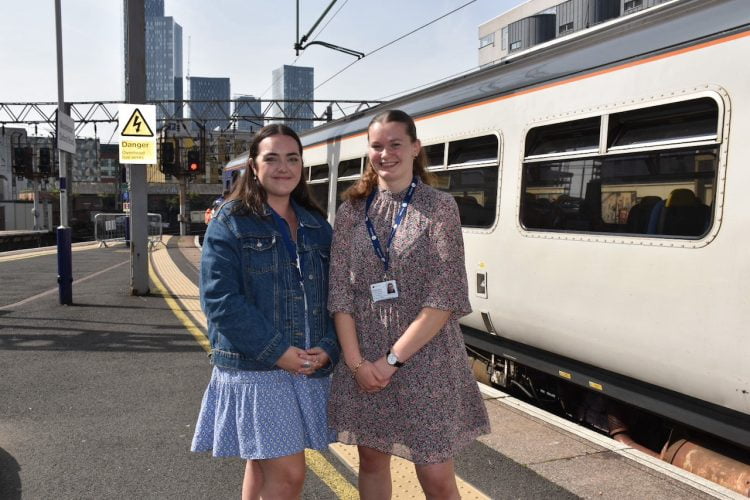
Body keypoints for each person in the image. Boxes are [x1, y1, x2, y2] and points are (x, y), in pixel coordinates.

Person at [327, 109, 490, 499]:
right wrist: (357, 364)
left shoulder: (439, 207)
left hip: (426, 360)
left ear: (415, 148)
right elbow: (340, 294)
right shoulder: (351, 213)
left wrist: (391, 361)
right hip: (364, 357)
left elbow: (446, 294)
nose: (386, 154)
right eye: (377, 146)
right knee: (371, 461)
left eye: (395, 144)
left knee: (435, 475)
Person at [191, 124, 340, 500]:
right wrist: (278, 352)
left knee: (262, 464)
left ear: (302, 167)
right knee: (289, 474)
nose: (283, 168)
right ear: (253, 168)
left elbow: (335, 295)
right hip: (258, 367)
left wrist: (329, 345)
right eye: (271, 159)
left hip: (305, 363)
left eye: (292, 159)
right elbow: (220, 300)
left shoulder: (316, 224)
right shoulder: (231, 220)